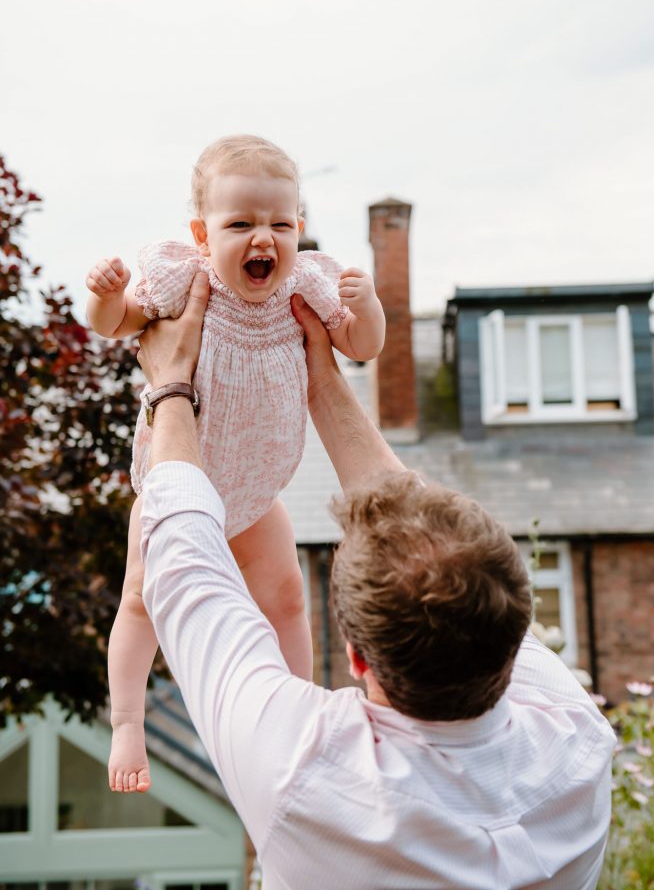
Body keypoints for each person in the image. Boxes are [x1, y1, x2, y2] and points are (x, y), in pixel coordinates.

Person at [135, 273, 616, 890]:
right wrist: (322, 380)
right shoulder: (579, 747)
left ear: (357, 657)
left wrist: (170, 386)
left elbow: (187, 569)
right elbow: (190, 570)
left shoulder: (303, 774)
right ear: (518, 628)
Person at [85, 134, 385, 793]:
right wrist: (105, 296)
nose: (263, 239)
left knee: (286, 599)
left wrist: (367, 308)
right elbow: (117, 323)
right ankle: (127, 723)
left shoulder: (306, 284)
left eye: (280, 223)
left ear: (299, 229)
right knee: (139, 600)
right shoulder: (184, 279)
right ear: (201, 235)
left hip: (255, 493)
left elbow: (360, 347)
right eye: (240, 223)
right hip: (177, 486)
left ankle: (297, 708)